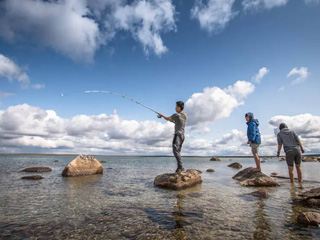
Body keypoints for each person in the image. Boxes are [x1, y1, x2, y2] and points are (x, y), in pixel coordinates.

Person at [158, 101, 187, 173]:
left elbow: (168, 118)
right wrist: (173, 121)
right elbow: (176, 121)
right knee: (178, 151)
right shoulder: (185, 115)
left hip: (177, 135)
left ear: (179, 107)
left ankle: (180, 167)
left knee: (175, 151)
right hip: (182, 136)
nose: (175, 107)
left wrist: (161, 115)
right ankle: (179, 168)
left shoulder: (176, 115)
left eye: (176, 106)